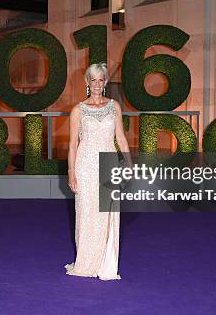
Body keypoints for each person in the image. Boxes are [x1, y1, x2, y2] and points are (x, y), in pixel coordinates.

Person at [65, 62, 131, 281]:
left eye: (100, 80)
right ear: (87, 82)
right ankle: (86, 261)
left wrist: (129, 164)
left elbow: (120, 137)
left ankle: (105, 263)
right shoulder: (78, 110)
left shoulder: (114, 107)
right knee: (86, 214)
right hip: (85, 166)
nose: (96, 84)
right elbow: (73, 144)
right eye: (92, 80)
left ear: (104, 82)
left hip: (108, 164)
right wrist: (71, 172)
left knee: (107, 215)